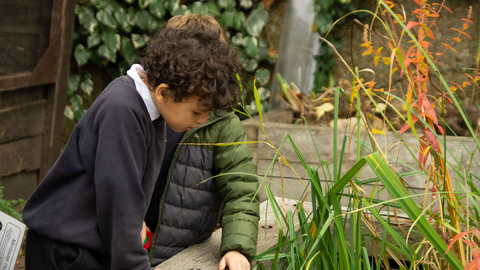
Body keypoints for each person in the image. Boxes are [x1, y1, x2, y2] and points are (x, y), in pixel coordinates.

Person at [22, 15, 259, 270]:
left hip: (89, 247)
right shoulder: (122, 110)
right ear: (164, 92)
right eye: (197, 112)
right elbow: (120, 206)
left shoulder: (154, 112)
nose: (202, 120)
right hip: (64, 252)